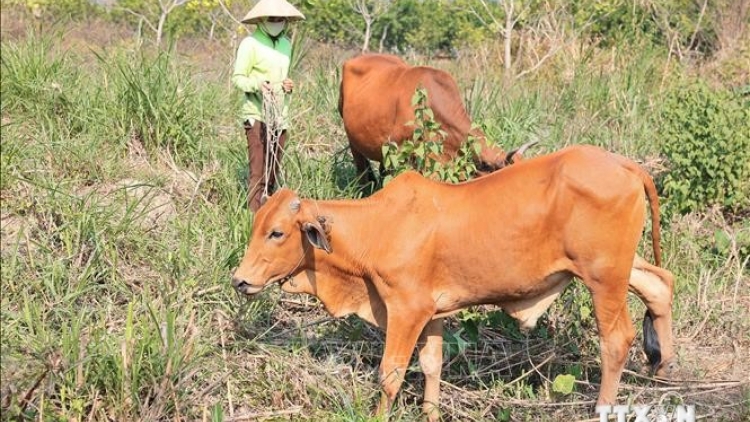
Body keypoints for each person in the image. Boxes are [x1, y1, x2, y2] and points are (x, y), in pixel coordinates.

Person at [232, 0, 305, 211]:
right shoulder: (250, 44)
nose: (276, 22)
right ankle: (253, 220)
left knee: (273, 170)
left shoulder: (286, 45)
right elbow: (238, 78)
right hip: (256, 114)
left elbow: (282, 78)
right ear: (262, 20)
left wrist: (287, 85)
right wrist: (258, 85)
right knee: (258, 171)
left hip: (280, 116)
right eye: (272, 19)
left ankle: (269, 215)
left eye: (280, 19)